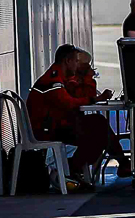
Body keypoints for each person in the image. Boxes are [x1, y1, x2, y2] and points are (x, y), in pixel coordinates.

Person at [27, 44, 126, 189]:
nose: (77, 65)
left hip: (56, 125)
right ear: (68, 61)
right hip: (46, 129)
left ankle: (75, 169)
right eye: (76, 61)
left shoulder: (61, 77)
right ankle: (73, 169)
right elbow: (69, 103)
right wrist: (95, 98)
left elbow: (77, 97)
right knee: (98, 130)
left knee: (98, 125)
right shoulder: (53, 80)